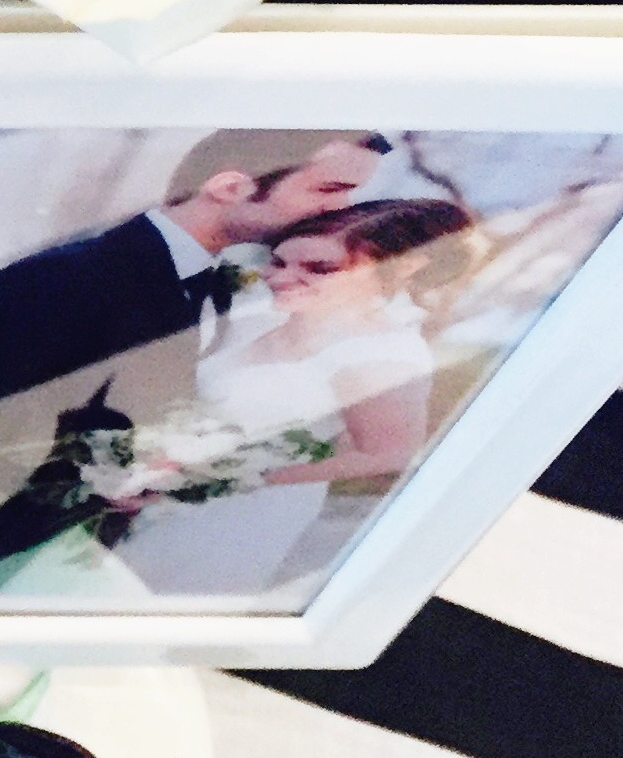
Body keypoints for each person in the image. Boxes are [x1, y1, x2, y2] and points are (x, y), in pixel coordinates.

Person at [0, 131, 393, 442]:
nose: (341, 211)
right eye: (330, 190)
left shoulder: (214, 285)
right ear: (229, 186)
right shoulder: (58, 284)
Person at [111, 195, 474, 600]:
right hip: (153, 481)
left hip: (237, 517)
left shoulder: (381, 353)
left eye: (320, 268)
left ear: (404, 267)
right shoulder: (258, 315)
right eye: (280, 262)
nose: (283, 279)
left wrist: (220, 477)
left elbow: (388, 454)